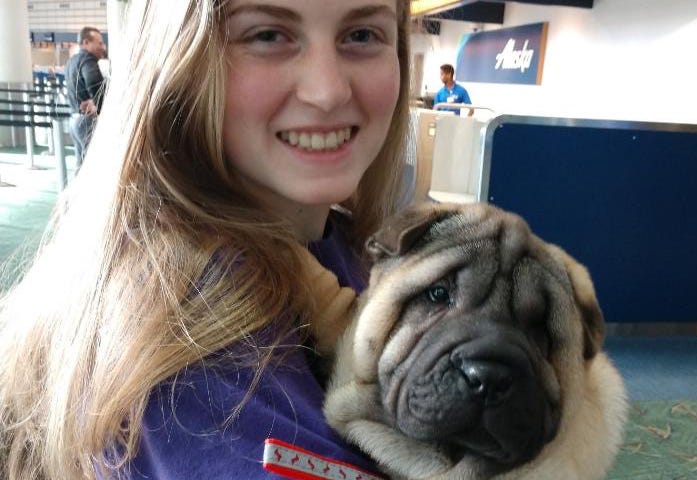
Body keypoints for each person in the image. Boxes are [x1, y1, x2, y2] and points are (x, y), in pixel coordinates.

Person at [0, 0, 411, 479]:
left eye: (362, 35)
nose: (327, 90)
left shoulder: (347, 245)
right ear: (180, 60)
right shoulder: (190, 329)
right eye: (266, 35)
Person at [64, 26, 107, 169]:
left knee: (81, 166)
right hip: (87, 121)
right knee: (95, 167)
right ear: (86, 42)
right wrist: (99, 105)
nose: (103, 47)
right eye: (99, 43)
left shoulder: (72, 61)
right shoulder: (88, 60)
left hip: (74, 119)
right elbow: (95, 84)